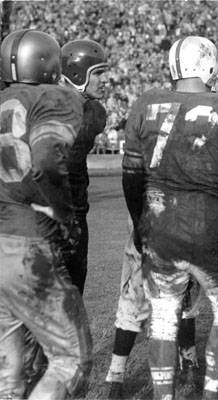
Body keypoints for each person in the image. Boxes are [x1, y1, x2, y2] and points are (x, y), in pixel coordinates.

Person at [122, 35, 218, 400]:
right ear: (210, 64)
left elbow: (131, 176)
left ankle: (163, 396)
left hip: (160, 230)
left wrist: (140, 225)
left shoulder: (144, 103)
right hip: (210, 229)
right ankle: (212, 394)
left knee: (164, 317)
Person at [0, 29, 92, 400]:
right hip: (25, 240)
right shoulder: (54, 97)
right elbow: (47, 161)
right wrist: (64, 213)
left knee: (8, 373)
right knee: (72, 358)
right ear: (50, 63)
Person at [105, 219, 201, 399]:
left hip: (187, 223)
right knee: (134, 301)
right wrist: (140, 228)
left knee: (187, 297)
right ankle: (116, 379)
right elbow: (132, 190)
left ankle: (189, 365)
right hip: (151, 222)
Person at [60, 39, 108, 294]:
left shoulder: (43, 103)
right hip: (67, 215)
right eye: (98, 73)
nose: (105, 79)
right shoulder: (92, 112)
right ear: (78, 74)